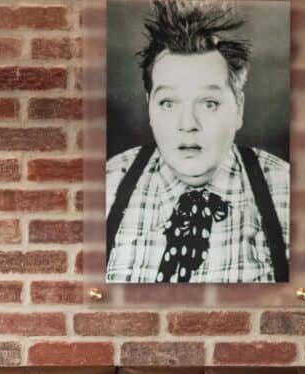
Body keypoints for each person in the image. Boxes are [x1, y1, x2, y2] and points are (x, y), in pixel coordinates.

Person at [105, 0, 289, 284]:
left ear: (238, 108)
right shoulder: (107, 185)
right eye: (168, 103)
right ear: (149, 107)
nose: (188, 124)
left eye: (209, 103)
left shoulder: (287, 192)